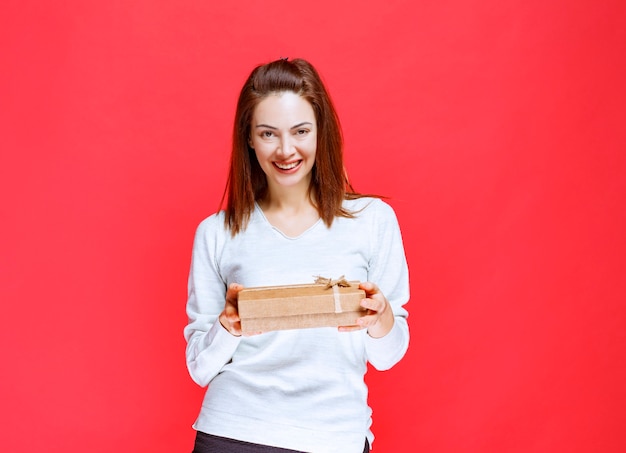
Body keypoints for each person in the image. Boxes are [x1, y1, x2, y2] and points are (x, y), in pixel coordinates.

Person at [184, 58, 410, 453]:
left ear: (321, 133)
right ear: (249, 139)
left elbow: (388, 357)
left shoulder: (372, 220)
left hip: (334, 437)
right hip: (234, 432)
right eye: (268, 133)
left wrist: (382, 317)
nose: (286, 150)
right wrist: (228, 326)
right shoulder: (216, 233)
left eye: (301, 131)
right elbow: (199, 368)